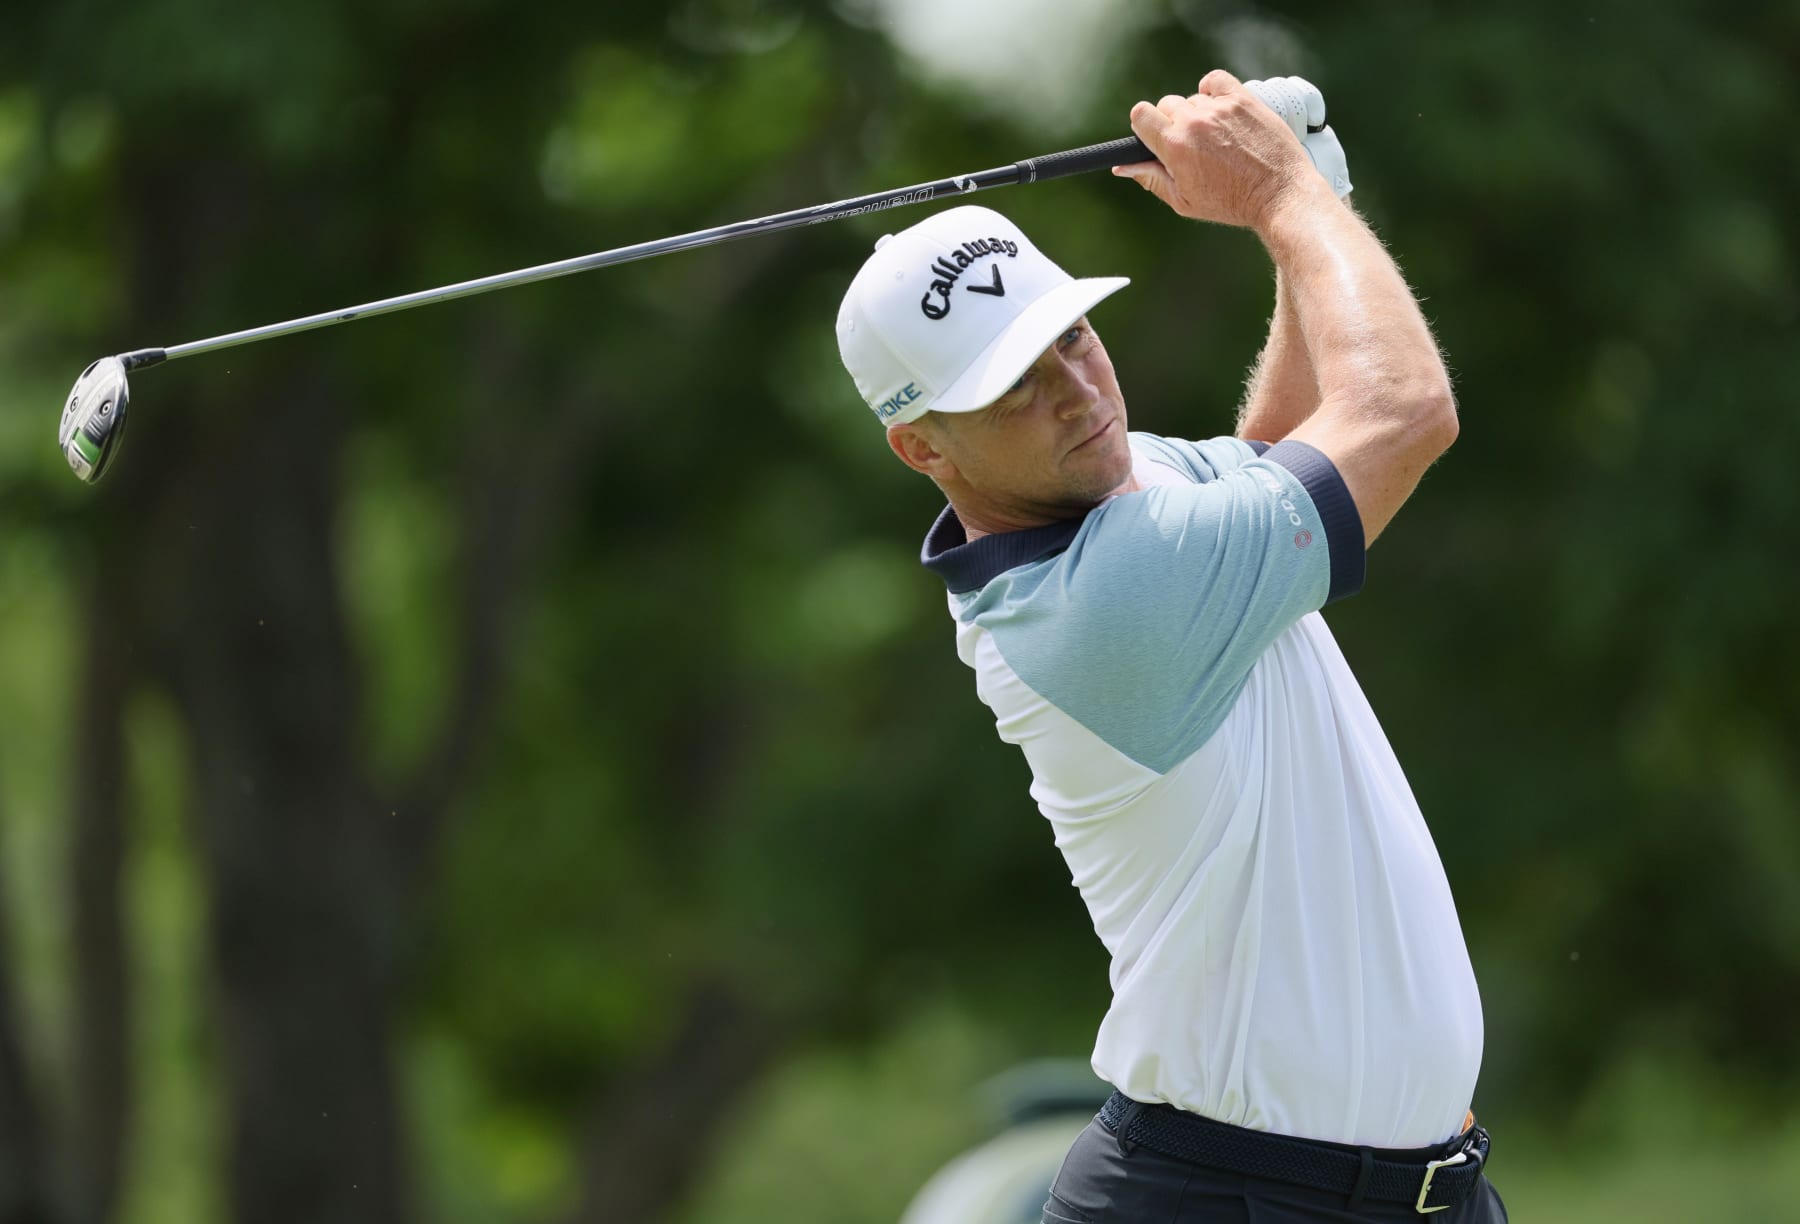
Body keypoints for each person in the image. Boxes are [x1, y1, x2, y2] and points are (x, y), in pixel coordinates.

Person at [836, 70, 1505, 1222]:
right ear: (922, 449)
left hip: (1407, 1195)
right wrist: (1288, 200)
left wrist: (1305, 229)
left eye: (1071, 336)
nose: (1075, 392)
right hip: (1227, 1199)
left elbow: (1282, 461)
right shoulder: (1105, 602)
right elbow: (1400, 409)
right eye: (1011, 386)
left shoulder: (1120, 496)